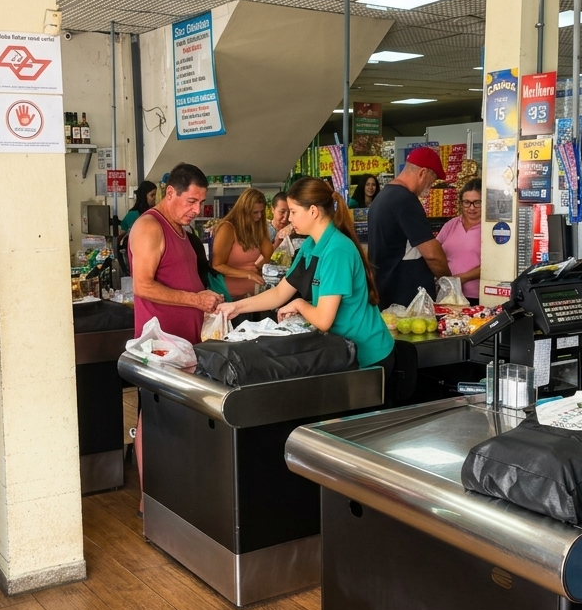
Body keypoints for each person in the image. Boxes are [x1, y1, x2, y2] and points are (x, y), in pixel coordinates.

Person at [218, 177, 394, 373]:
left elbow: (323, 320)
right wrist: (235, 307)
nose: (290, 219)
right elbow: (279, 293)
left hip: (368, 357)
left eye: (293, 212)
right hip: (340, 351)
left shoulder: (337, 251)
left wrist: (299, 304)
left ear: (313, 211)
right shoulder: (311, 245)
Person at [128, 163, 223, 514]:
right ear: (170, 193)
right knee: (152, 420)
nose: (197, 210)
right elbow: (143, 285)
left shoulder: (181, 229)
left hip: (186, 344)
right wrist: (195, 300)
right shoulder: (150, 227)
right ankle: (148, 497)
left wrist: (206, 302)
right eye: (191, 201)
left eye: (201, 202)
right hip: (160, 346)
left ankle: (175, 492)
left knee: (179, 420)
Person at [368, 147, 449, 308]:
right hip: (406, 297)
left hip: (385, 288)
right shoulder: (405, 200)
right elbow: (432, 253)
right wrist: (448, 280)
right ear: (422, 173)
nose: (430, 188)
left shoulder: (382, 197)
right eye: (431, 181)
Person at [210, 187, 273, 300]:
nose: (259, 216)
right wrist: (248, 274)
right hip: (231, 296)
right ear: (244, 211)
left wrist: (256, 269)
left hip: (253, 294)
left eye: (261, 212)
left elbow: (269, 255)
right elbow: (217, 265)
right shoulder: (228, 228)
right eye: (255, 212)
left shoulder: (255, 227)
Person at [438, 178, 482, 305]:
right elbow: (436, 250)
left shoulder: (489, 228)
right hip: (449, 295)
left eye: (477, 203)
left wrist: (461, 278)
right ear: (461, 203)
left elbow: (493, 264)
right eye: (467, 202)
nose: (471, 208)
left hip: (477, 296)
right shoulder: (451, 224)